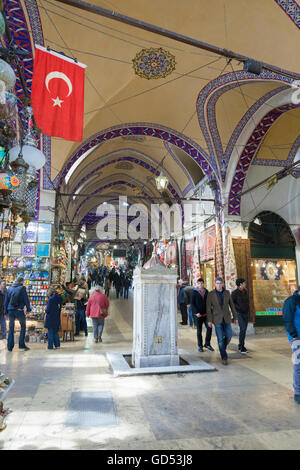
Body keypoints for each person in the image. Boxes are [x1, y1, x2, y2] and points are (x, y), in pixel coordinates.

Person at [207, 277, 237, 365]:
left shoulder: (227, 293)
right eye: (217, 283)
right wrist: (209, 320)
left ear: (223, 284)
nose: (219, 285)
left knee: (229, 335)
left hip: (227, 318)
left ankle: (222, 348)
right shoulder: (211, 294)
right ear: (215, 284)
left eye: (220, 283)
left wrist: (235, 317)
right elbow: (208, 308)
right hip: (217, 319)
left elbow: (232, 305)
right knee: (220, 339)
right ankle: (224, 357)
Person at [283, 287, 300, 404]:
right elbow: (287, 320)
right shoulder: (290, 302)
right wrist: (294, 335)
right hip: (296, 337)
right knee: (299, 363)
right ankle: (298, 392)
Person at [4, 276, 31, 351]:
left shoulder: (9, 288)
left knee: (11, 328)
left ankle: (9, 347)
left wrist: (5, 312)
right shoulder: (22, 288)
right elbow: (26, 299)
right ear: (21, 281)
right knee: (23, 326)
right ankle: (21, 345)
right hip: (19, 310)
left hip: (10, 311)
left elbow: (6, 301)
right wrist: (28, 309)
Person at [191, 278, 214, 352]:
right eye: (199, 283)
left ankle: (207, 344)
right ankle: (200, 346)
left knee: (209, 328)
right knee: (199, 331)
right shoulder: (194, 292)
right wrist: (196, 312)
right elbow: (192, 304)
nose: (200, 285)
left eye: (202, 283)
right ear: (197, 284)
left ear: (203, 284)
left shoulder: (207, 291)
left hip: (206, 314)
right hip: (198, 315)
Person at [231, 278, 250, 354]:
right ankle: (241, 346)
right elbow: (232, 303)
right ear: (240, 284)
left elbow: (247, 301)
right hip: (239, 313)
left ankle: (241, 345)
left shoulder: (245, 291)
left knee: (244, 330)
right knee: (242, 329)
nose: (245, 284)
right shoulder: (235, 293)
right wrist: (237, 309)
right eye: (244, 283)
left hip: (245, 313)